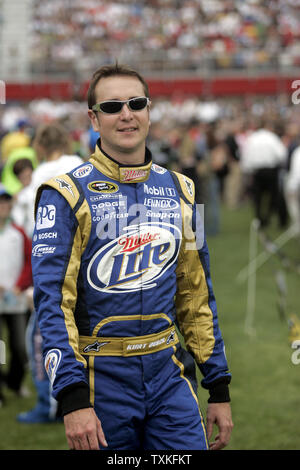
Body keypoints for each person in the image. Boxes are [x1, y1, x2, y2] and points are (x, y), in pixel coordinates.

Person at [32, 64, 233, 450]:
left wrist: (219, 386)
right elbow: (52, 304)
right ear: (93, 118)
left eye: (136, 103)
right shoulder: (62, 194)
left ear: (149, 110)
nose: (126, 114)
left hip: (168, 376)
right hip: (99, 381)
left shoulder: (185, 190)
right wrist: (73, 399)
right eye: (111, 106)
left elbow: (198, 295)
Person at [16, 123, 83, 423]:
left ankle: (50, 406)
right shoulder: (82, 165)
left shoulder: (43, 175)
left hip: (55, 264)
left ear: (41, 146)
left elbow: (34, 228)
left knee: (41, 337)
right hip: (86, 267)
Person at [0, 183, 32, 406]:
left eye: (6, 201)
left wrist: (20, 285)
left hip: (16, 299)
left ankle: (13, 382)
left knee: (21, 347)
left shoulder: (18, 231)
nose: (3, 205)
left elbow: (30, 262)